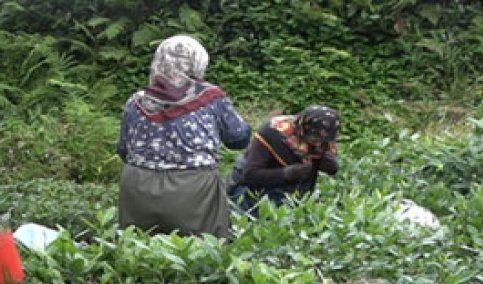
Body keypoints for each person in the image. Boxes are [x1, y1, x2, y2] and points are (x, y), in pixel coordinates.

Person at [116, 35, 252, 239]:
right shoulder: (211, 98)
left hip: (138, 188)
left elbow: (123, 150)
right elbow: (238, 138)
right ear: (198, 62)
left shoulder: (135, 101)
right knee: (200, 252)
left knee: (138, 252)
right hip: (194, 191)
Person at [227, 105, 341, 213]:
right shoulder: (272, 134)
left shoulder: (323, 140)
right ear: (303, 129)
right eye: (315, 138)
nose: (318, 143)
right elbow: (250, 174)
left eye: (323, 140)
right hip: (253, 188)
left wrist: (330, 165)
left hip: (292, 193)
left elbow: (326, 165)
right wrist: (287, 173)